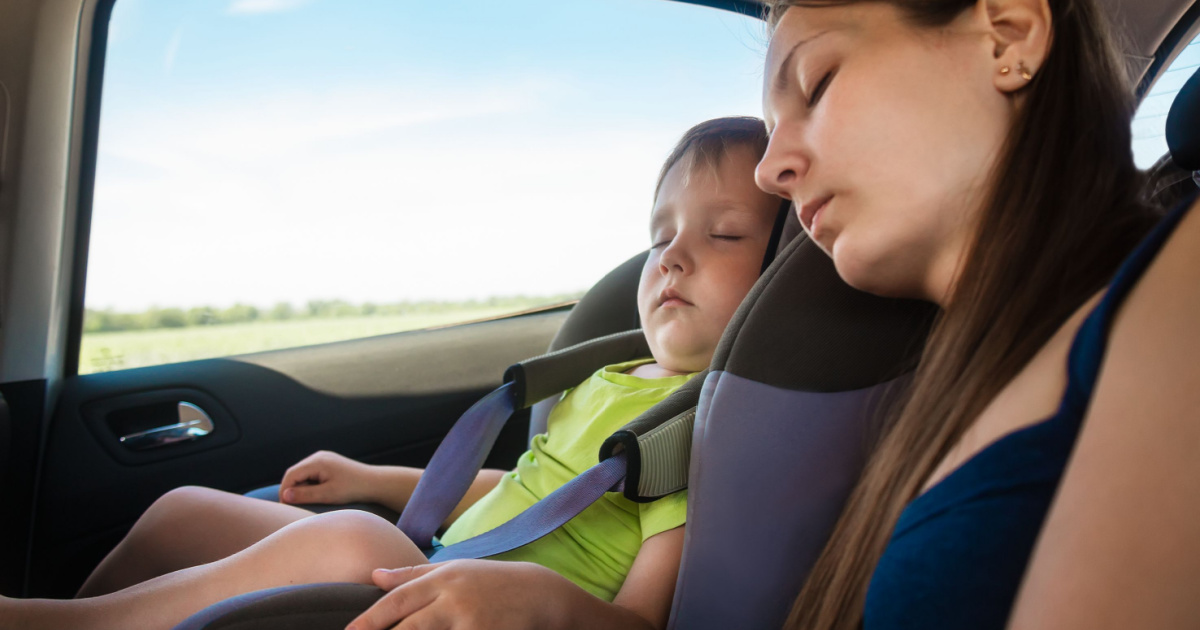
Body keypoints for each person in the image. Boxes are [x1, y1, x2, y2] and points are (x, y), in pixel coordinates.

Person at [0, 115, 783, 630]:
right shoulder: (605, 379)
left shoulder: (699, 432)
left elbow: (643, 620)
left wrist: (547, 601)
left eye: (722, 234)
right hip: (441, 558)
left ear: (781, 278)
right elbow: (521, 488)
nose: (674, 256)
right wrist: (371, 478)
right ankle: (76, 611)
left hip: (486, 609)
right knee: (183, 512)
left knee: (351, 540)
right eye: (659, 235)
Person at [752, 1, 1200, 629]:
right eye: (772, 128)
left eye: (817, 85)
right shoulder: (939, 392)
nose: (767, 172)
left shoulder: (1185, 282)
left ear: (1008, 37)